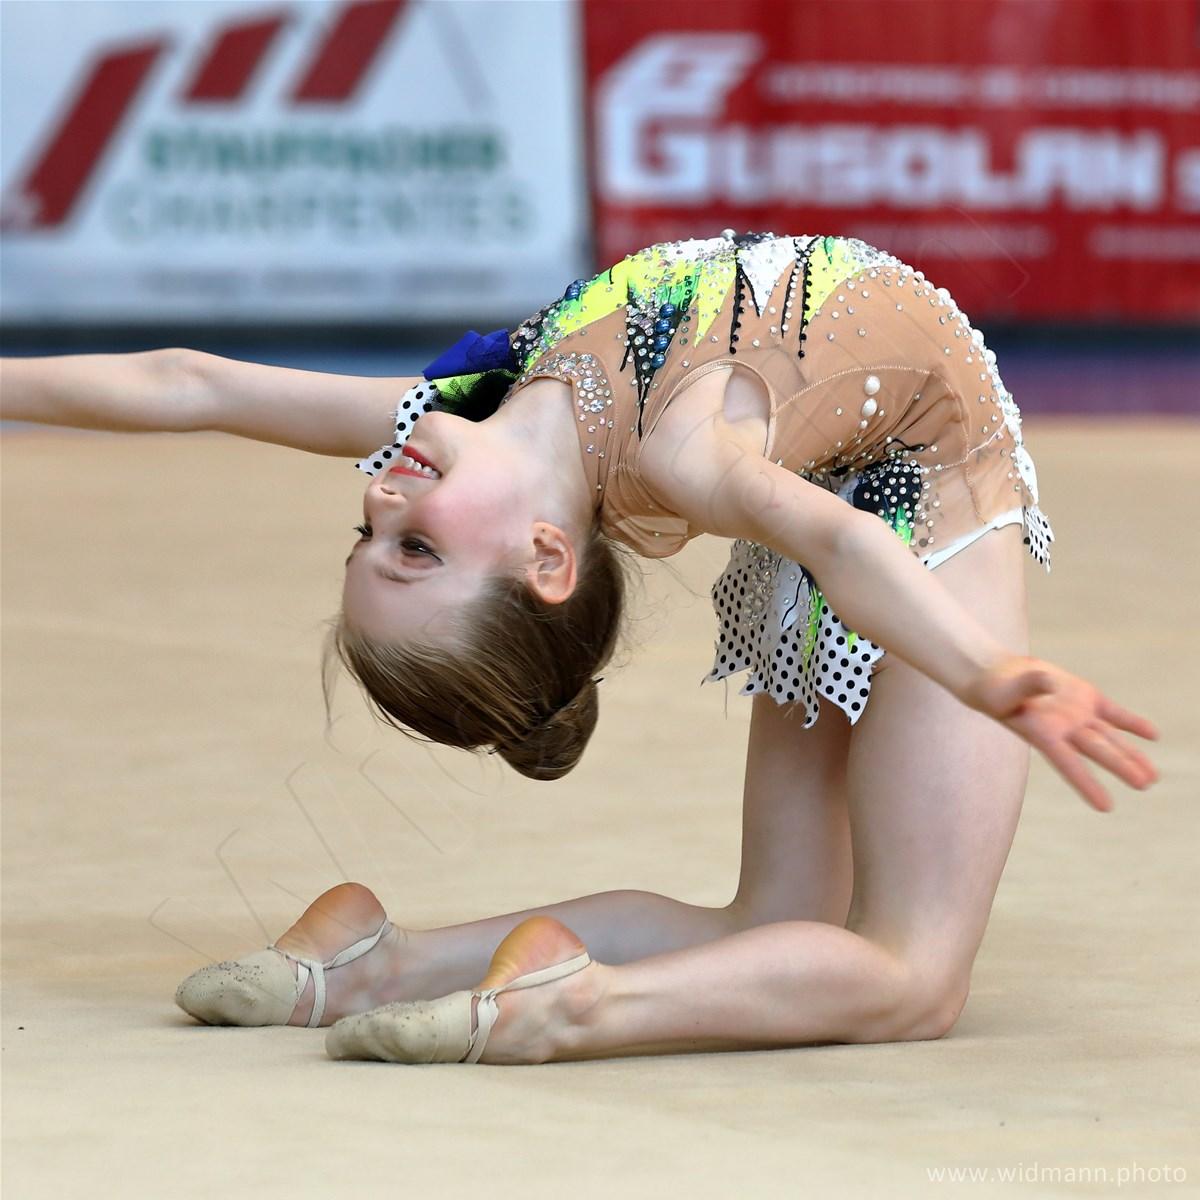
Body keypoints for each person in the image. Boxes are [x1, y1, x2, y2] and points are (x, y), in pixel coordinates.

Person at [1, 231, 1158, 1067]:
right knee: (915, 976)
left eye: (372, 538)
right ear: (547, 557)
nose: (381, 498)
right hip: (926, 497)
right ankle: (571, 1009)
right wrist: (985, 672)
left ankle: (378, 965)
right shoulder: (680, 454)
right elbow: (842, 540)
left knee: (775, 923)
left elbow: (188, 384)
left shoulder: (461, 409)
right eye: (416, 550)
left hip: (846, 489)